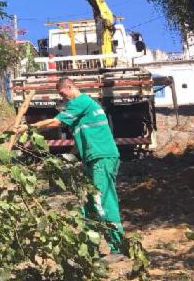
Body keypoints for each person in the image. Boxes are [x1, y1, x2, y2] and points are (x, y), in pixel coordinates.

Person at [17, 77, 124, 256]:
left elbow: (55, 122)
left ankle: (117, 247)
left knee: (103, 200)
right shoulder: (84, 109)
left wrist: (28, 128)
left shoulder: (80, 102)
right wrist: (68, 160)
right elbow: (80, 140)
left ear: (70, 87)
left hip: (101, 157)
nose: (63, 98)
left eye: (63, 93)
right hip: (94, 158)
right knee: (89, 203)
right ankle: (91, 248)